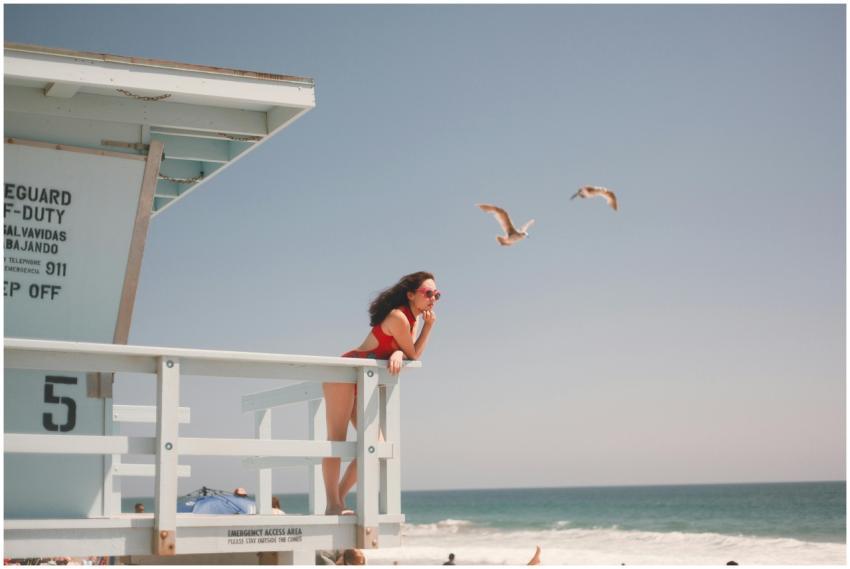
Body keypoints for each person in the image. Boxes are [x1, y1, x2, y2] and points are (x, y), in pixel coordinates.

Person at [323, 272, 439, 515]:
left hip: (364, 381)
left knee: (376, 444)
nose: (433, 299)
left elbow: (408, 354)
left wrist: (399, 353)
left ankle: (340, 499)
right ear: (411, 295)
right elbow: (414, 354)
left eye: (437, 295)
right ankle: (332, 505)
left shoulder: (413, 320)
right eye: (428, 293)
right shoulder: (399, 316)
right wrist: (426, 330)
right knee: (337, 440)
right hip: (346, 373)